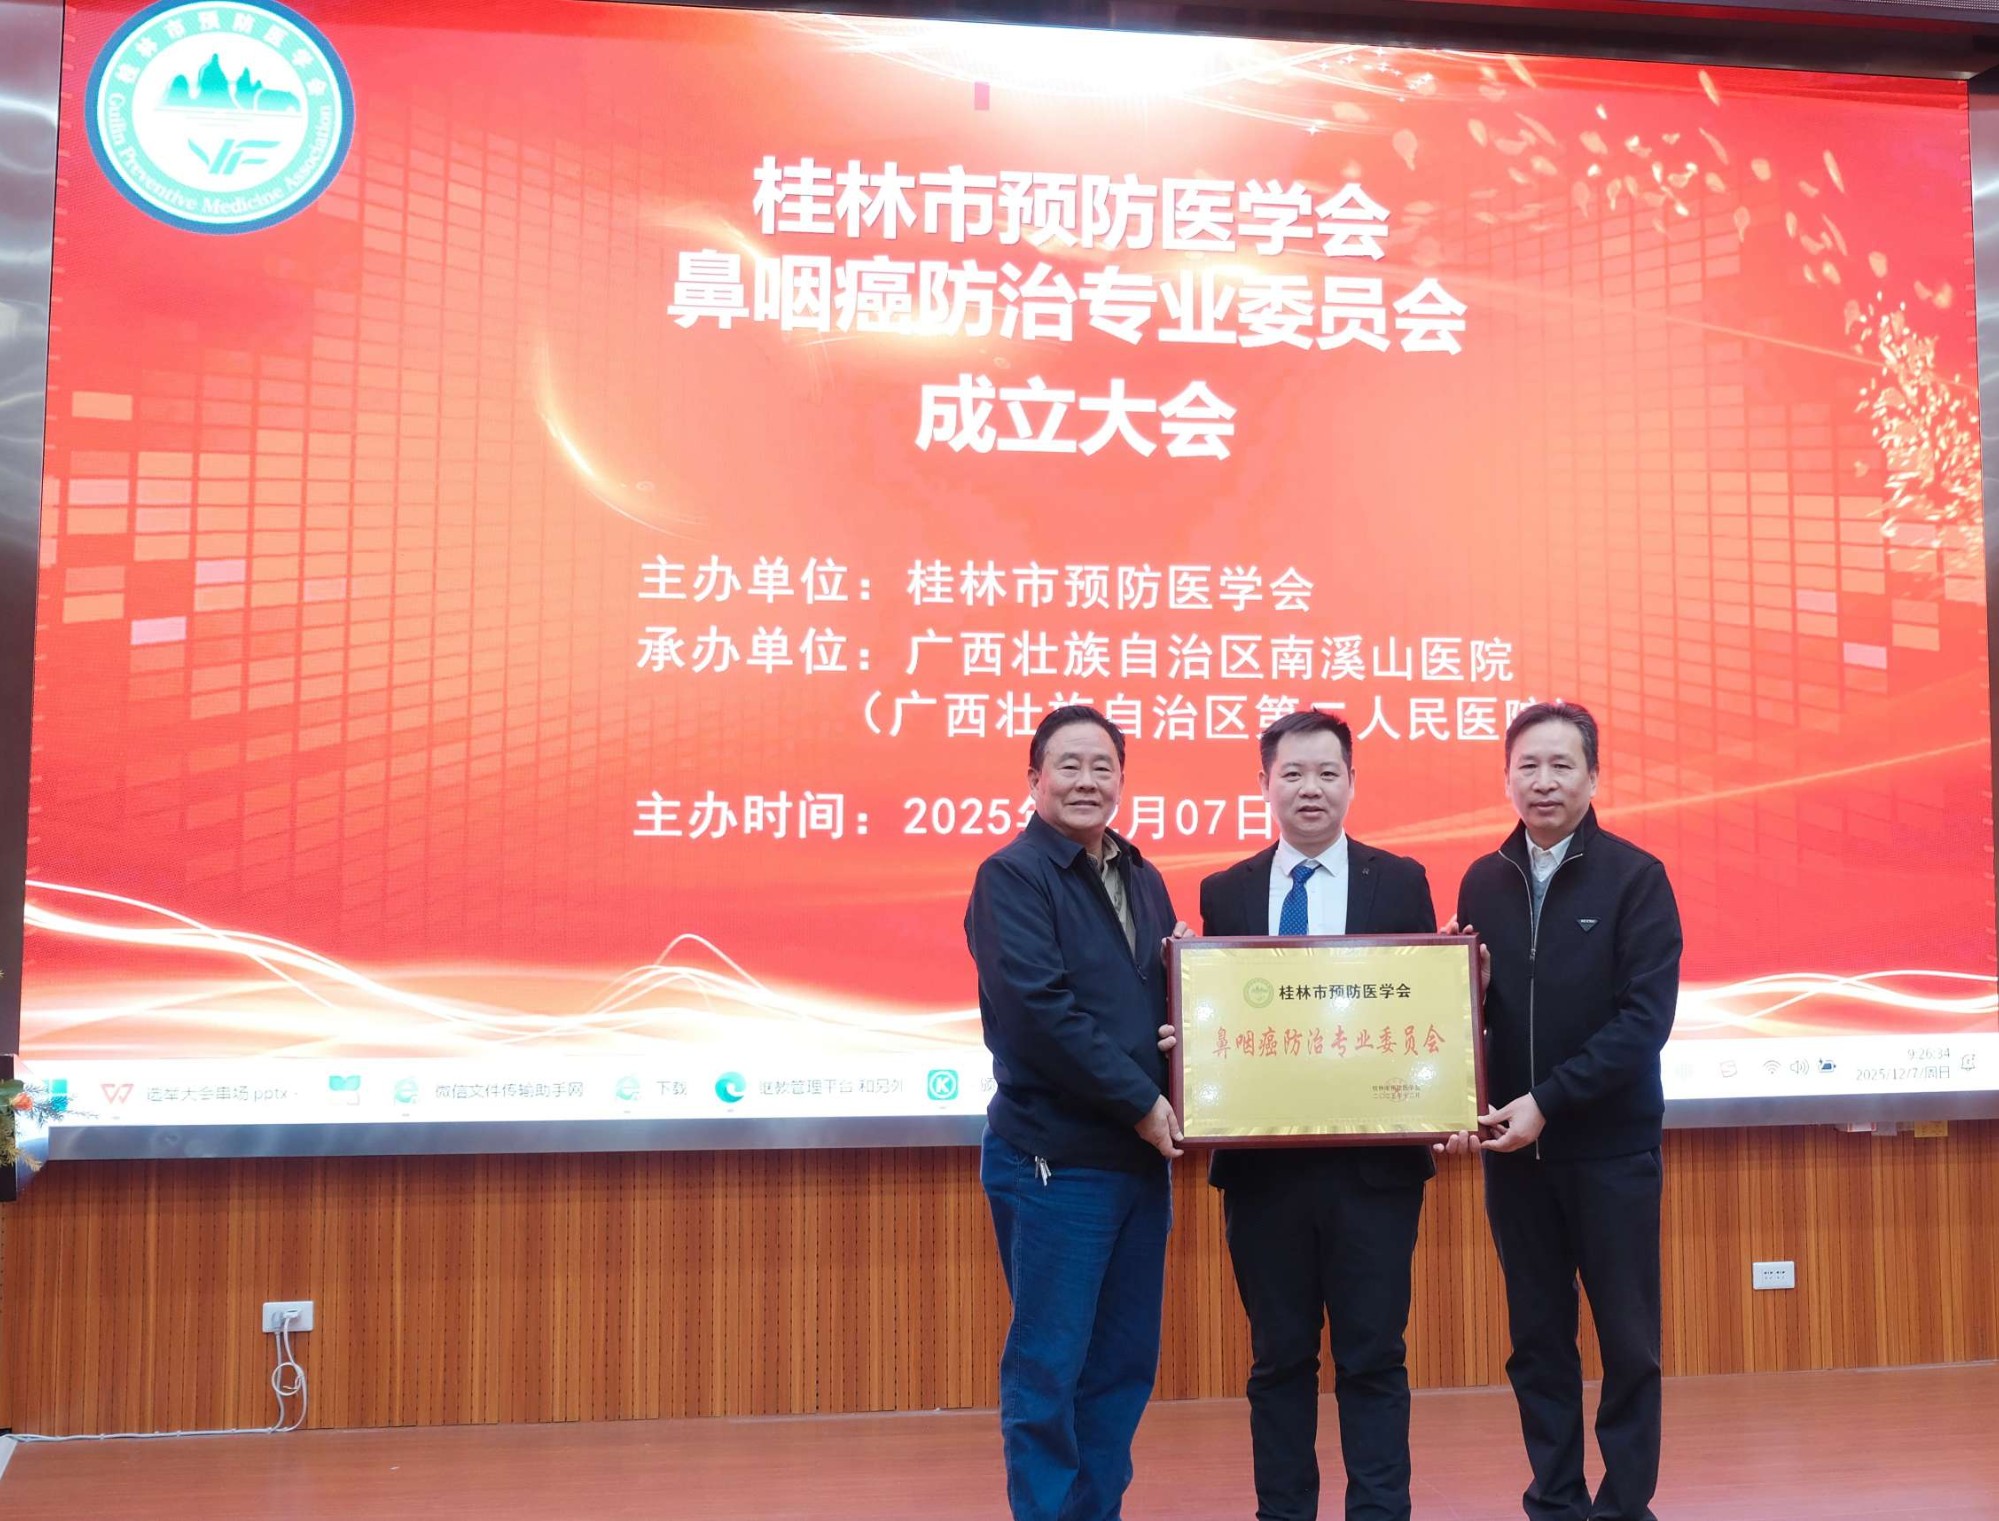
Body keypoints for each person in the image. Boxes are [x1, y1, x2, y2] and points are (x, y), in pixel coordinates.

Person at [1198, 710, 1438, 1521]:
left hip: (1374, 1172)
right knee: (1278, 1360)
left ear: (1351, 783)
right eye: (1293, 773)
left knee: (1373, 1357)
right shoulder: (1225, 890)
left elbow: (1420, 1006)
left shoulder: (1397, 880)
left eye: (1327, 772)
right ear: (1264, 784)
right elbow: (1221, 1020)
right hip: (1263, 1172)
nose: (1310, 788)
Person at [1445, 700, 1682, 1521]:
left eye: (1560, 765)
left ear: (1593, 775)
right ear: (1506, 777)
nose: (1542, 781)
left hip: (1611, 1152)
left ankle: (1623, 1505)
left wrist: (1548, 1100)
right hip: (1515, 1157)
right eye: (1527, 766)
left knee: (1628, 1344)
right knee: (1537, 1342)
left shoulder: (1635, 877)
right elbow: (1473, 1019)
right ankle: (1553, 1499)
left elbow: (1643, 1022)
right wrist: (1462, 1007)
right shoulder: (1481, 879)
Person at [966, 704, 1185, 1521]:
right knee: (1049, 1367)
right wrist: (1141, 1099)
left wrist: (1180, 1044)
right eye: (1069, 764)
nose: (1087, 780)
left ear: (1121, 778)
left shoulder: (1141, 874)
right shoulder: (1012, 876)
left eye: (1103, 766)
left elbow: (1152, 1001)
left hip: (1136, 1161)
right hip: (1055, 1163)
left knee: (1121, 1366)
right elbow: (1038, 1013)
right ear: (1034, 779)